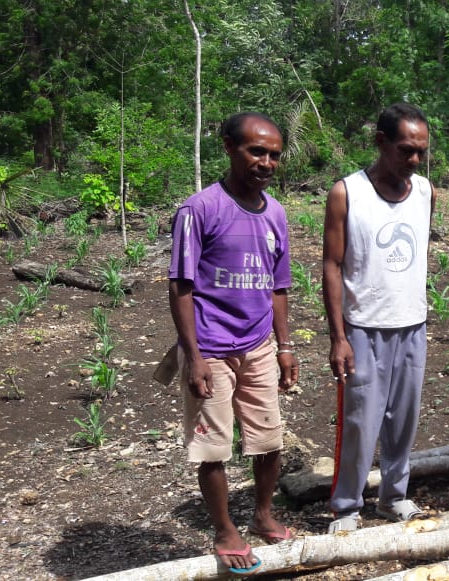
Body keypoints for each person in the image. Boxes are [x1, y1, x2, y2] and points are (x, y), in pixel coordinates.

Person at [168, 111, 298, 576]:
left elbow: (278, 286)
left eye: (274, 155)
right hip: (211, 346)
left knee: (268, 440)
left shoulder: (276, 212)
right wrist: (195, 357)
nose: (265, 162)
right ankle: (225, 530)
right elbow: (181, 286)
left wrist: (285, 347)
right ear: (228, 148)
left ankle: (263, 514)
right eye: (255, 151)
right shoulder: (199, 209)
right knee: (214, 448)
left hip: (259, 343)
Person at [322, 103, 435, 533]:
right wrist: (338, 336)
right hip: (364, 328)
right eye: (406, 150)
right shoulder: (347, 193)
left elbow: (417, 254)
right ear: (380, 142)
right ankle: (347, 505)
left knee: (403, 422)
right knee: (360, 421)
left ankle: (393, 496)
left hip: (412, 325)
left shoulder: (425, 192)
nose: (414, 160)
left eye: (421, 151)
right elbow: (332, 265)